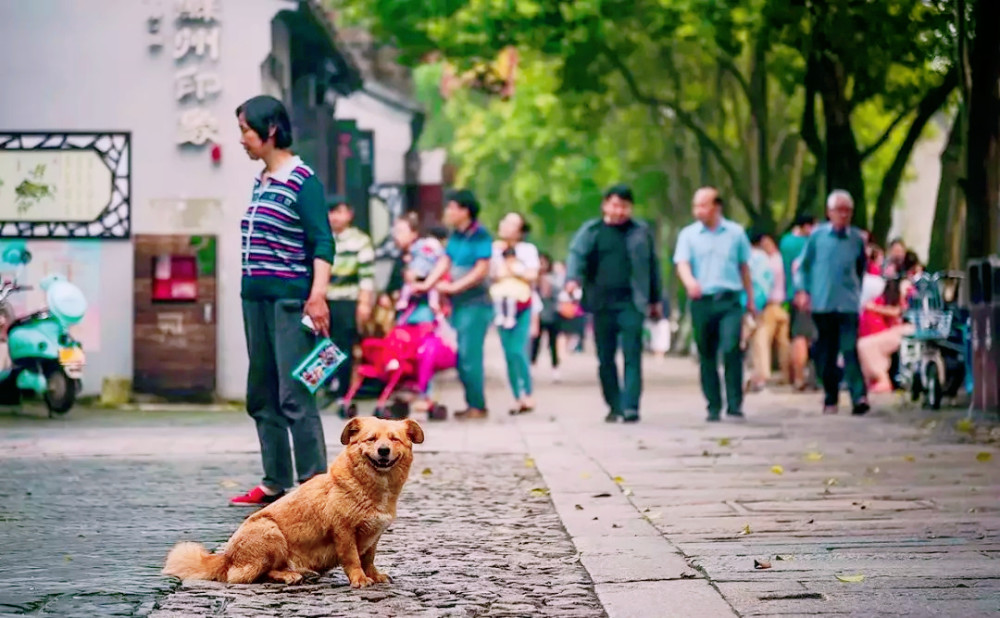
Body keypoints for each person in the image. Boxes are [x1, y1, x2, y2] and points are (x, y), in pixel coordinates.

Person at [232, 95, 334, 506]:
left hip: (291, 303)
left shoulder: (302, 179)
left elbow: (322, 241)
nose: (241, 139)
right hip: (254, 299)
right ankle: (275, 480)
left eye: (245, 130)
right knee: (261, 392)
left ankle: (314, 487)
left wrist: (318, 296)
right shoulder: (261, 180)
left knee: (295, 394)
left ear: (270, 130)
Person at [566, 184, 663, 423]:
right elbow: (576, 256)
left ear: (630, 208)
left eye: (624, 206)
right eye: (615, 205)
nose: (619, 211)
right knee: (605, 357)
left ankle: (631, 406)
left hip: (632, 301)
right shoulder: (592, 231)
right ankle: (614, 405)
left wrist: (655, 299)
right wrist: (572, 279)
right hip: (601, 304)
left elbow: (652, 266)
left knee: (632, 354)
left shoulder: (641, 232)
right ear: (605, 205)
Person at [674, 187, 755, 422]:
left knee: (731, 348)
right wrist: (690, 282)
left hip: (729, 300)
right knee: (706, 353)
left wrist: (749, 299)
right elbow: (682, 263)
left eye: (703, 205)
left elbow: (744, 268)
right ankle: (713, 404)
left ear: (716, 207)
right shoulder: (688, 235)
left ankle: (735, 402)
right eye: (695, 205)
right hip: (702, 301)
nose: (698, 210)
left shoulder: (736, 233)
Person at [416, 189, 493, 419]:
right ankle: (473, 403)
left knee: (470, 355)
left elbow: (481, 270)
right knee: (460, 355)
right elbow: (445, 261)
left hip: (476, 303)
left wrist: (452, 288)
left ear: (465, 210)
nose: (448, 212)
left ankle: (477, 405)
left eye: (452, 207)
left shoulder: (480, 235)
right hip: (458, 305)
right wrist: (428, 284)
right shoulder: (456, 236)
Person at [794, 190, 869, 415]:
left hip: (847, 304)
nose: (843, 215)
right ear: (829, 212)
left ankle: (859, 397)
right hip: (823, 303)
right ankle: (830, 397)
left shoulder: (857, 239)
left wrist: (855, 291)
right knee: (826, 353)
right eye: (839, 210)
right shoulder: (817, 237)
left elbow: (861, 268)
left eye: (847, 211)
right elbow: (803, 267)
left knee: (849, 349)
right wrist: (803, 291)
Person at [325, 199, 375, 409]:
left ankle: (343, 393)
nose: (334, 217)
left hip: (348, 301)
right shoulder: (323, 238)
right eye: (331, 212)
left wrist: (364, 304)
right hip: (325, 301)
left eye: (339, 211)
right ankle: (325, 387)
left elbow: (366, 277)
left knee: (343, 345)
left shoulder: (360, 241)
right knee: (324, 346)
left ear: (349, 214)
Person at [491, 212, 540, 414]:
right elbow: (492, 274)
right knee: (508, 352)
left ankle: (527, 393)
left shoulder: (527, 250)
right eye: (505, 221)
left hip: (522, 305)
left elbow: (532, 274)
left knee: (519, 350)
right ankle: (516, 396)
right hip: (501, 304)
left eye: (512, 224)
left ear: (520, 230)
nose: (506, 226)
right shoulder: (494, 249)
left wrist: (514, 270)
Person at [748, 232, 790, 391]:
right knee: (783, 343)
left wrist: (756, 305)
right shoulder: (781, 260)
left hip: (769, 306)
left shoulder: (764, 261)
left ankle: (762, 375)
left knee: (761, 342)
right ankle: (787, 375)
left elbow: (761, 284)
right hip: (783, 305)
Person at [780, 215, 817, 390]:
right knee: (804, 337)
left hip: (789, 294)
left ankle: (796, 377)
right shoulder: (808, 243)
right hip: (807, 294)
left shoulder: (785, 242)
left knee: (796, 335)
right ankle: (802, 378)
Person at [857, 277, 913, 393]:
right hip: (889, 332)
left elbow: (899, 311)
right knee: (866, 345)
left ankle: (882, 379)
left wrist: (876, 308)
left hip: (906, 331)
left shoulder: (907, 300)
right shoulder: (880, 302)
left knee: (866, 345)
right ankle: (877, 379)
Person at [532, 252, 564, 381]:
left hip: (552, 314)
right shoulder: (533, 278)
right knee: (535, 343)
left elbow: (559, 293)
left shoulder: (554, 278)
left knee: (552, 344)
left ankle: (555, 368)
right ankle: (532, 367)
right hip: (537, 315)